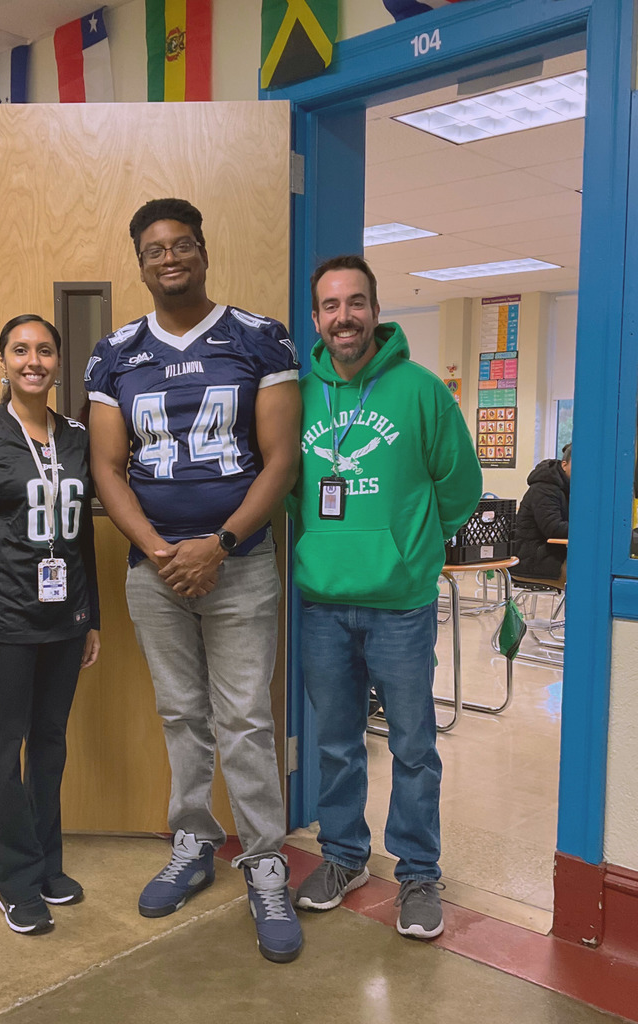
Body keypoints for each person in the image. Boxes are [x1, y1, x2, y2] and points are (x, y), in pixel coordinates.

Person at [85, 198, 303, 964]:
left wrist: (220, 542)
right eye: (154, 249)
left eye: (182, 245)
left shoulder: (258, 337)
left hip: (239, 565)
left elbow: (282, 459)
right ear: (140, 263)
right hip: (154, 569)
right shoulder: (114, 353)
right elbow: (107, 468)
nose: (169, 258)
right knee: (181, 713)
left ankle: (266, 861)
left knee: (243, 716)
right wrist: (159, 548)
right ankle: (192, 844)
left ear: (203, 252)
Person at [287, 255, 482, 939]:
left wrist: (412, 549)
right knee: (337, 743)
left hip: (400, 604)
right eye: (331, 306)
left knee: (413, 746)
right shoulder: (298, 397)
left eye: (356, 303)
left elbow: (459, 487)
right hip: (323, 604)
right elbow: (289, 488)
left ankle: (419, 873)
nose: (345, 317)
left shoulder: (422, 392)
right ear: (316, 319)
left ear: (375, 309)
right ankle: (343, 855)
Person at [0, 314, 101, 936]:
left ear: (59, 362)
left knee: (51, 743)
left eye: (45, 350)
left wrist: (91, 618)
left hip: (65, 619)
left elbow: (82, 533)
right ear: (3, 360)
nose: (33, 360)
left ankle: (46, 863)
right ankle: (14, 878)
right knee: (5, 749)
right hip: (4, 623)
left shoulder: (77, 436)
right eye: (21, 350)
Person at [513, 443, 571, 587]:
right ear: (564, 465)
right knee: (588, 577)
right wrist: (590, 529)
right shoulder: (545, 488)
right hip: (531, 559)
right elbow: (554, 528)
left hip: (550, 555)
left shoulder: (566, 488)